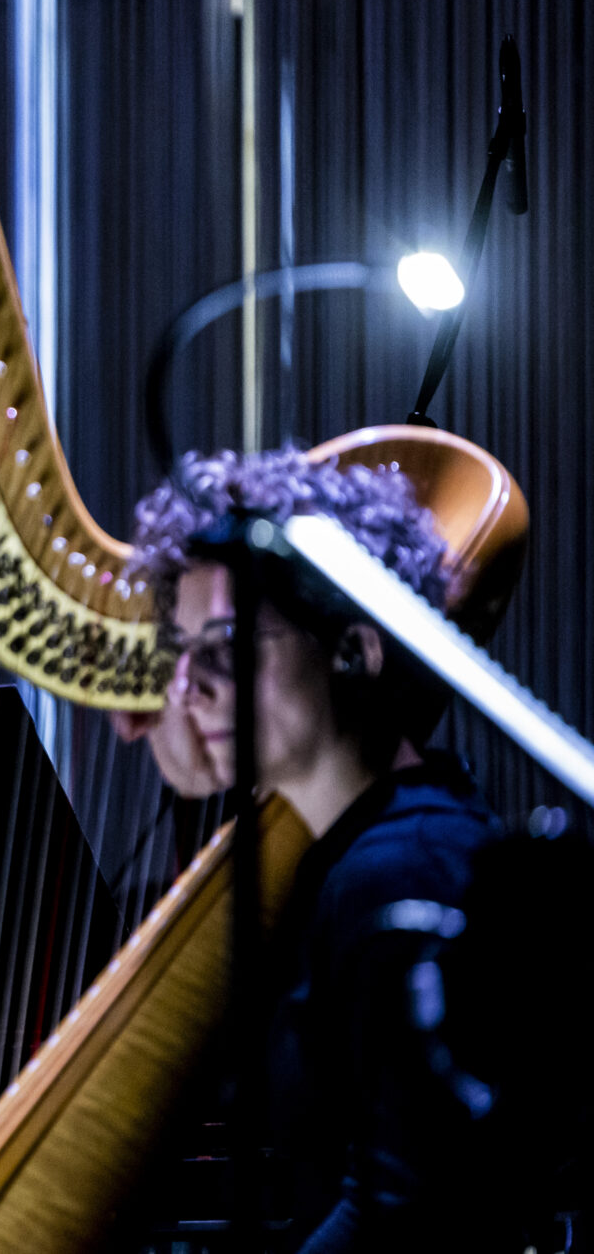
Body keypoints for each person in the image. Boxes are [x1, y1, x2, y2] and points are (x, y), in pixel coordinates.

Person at [116, 448, 516, 1250]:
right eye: (185, 649)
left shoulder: (402, 873)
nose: (188, 685)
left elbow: (404, 1214)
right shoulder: (363, 852)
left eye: (227, 643)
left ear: (355, 650)